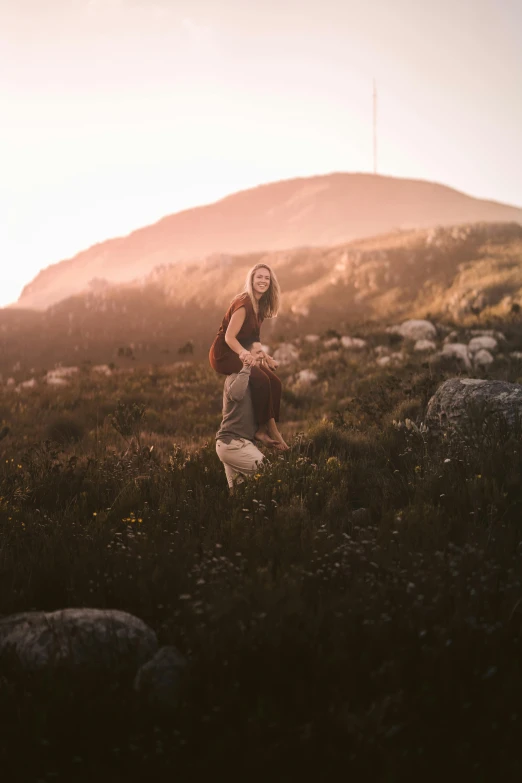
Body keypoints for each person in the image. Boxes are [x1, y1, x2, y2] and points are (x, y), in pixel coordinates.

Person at [209, 263, 289, 450]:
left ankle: (261, 428)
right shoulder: (244, 305)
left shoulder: (259, 306)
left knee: (274, 382)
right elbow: (229, 337)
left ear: (271, 283)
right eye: (259, 277)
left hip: (239, 352)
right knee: (260, 379)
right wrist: (244, 354)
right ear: (251, 280)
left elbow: (254, 338)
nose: (263, 281)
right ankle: (273, 432)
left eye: (266, 278)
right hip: (224, 354)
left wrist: (265, 356)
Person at [216, 342, 281, 493]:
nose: (261, 356)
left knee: (238, 494)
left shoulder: (257, 383)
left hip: (242, 443)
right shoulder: (235, 376)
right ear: (246, 354)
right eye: (257, 352)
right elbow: (236, 395)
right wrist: (246, 366)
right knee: (269, 473)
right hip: (231, 445)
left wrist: (263, 438)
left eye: (262, 352)